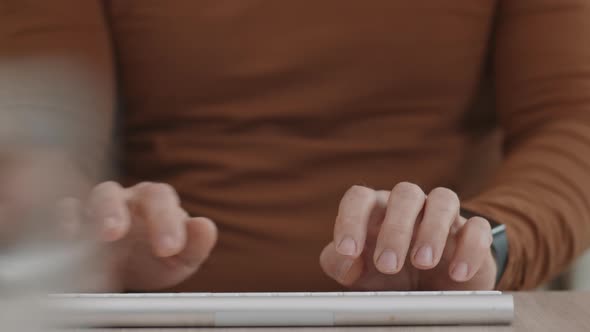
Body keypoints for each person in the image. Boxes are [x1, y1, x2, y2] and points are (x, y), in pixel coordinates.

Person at [1, 0, 589, 293]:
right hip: (158, 314)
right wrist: (77, 235)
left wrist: (483, 241)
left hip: (437, 317)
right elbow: (42, 119)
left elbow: (574, 121)